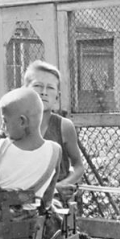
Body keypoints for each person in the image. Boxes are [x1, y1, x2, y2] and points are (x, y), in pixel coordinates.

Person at [22, 61, 85, 201]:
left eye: (50, 88)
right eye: (37, 86)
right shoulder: (14, 126)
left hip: (57, 204)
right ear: (25, 90)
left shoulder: (64, 126)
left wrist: (63, 185)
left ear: (57, 96)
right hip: (24, 203)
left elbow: (78, 166)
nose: (44, 92)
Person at [0, 87, 62, 210]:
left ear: (22, 122)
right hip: (29, 224)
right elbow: (47, 200)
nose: (2, 127)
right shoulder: (55, 151)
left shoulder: (3, 146)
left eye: (5, 121)